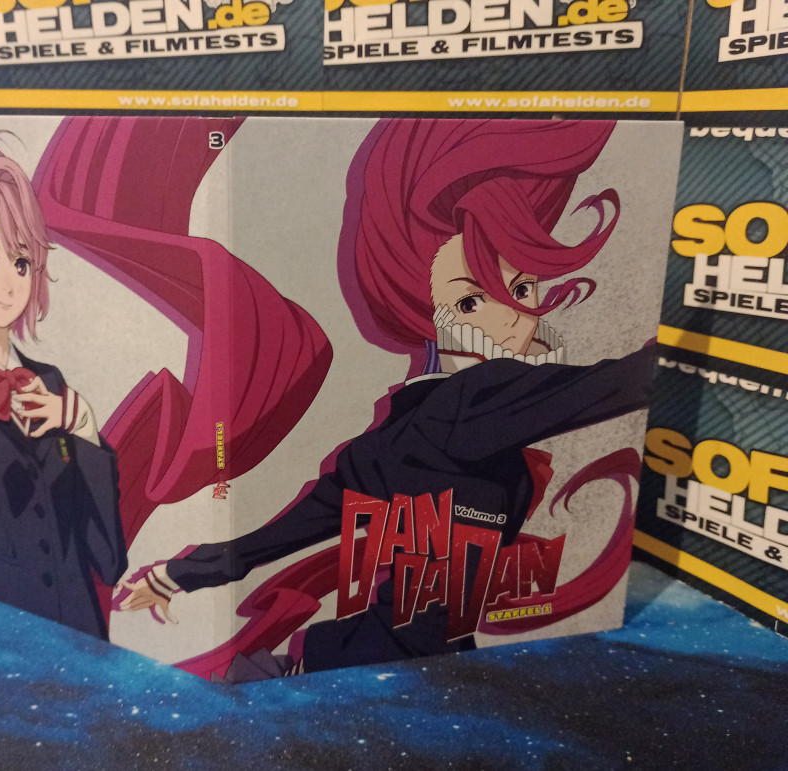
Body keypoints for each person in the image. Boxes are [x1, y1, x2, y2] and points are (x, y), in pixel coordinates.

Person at [118, 119, 655, 677]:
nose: (511, 316)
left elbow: (270, 540)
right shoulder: (480, 396)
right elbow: (623, 382)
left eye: (520, 289)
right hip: (390, 672)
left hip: (357, 661)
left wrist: (174, 576)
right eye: (471, 302)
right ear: (421, 306)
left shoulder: (386, 440)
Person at [0, 134, 126, 641]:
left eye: (21, 262)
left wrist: (82, 427)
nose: (8, 283)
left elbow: (108, 554)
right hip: (5, 610)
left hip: (79, 612)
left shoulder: (49, 381)